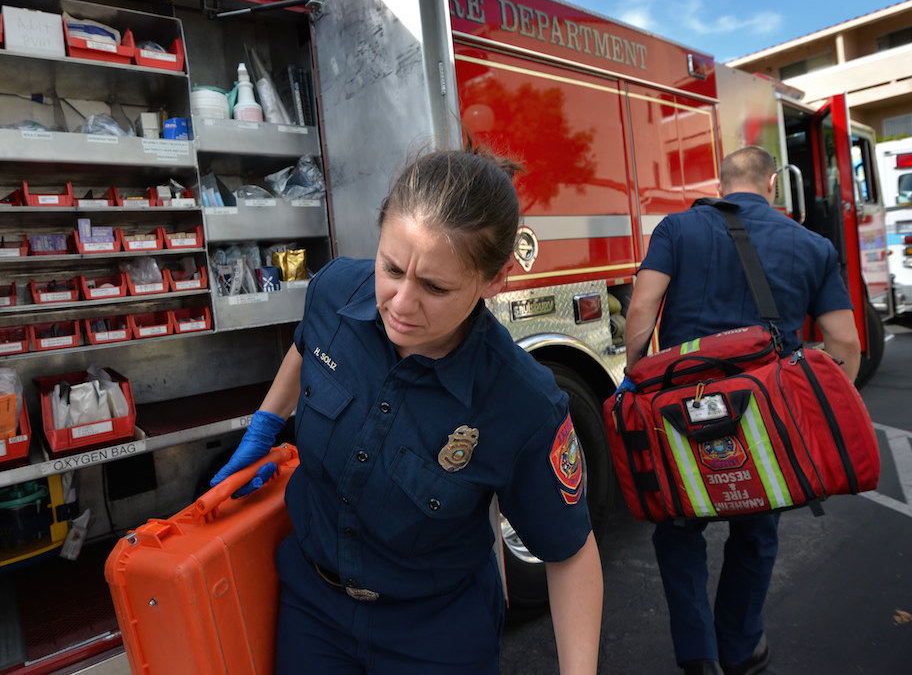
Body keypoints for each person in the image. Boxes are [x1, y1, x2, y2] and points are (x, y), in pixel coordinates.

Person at [210, 147, 603, 674]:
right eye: (391, 268)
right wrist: (265, 424)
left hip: (434, 632)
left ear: (495, 280)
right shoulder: (334, 291)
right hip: (314, 607)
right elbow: (308, 348)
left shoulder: (522, 402)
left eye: (436, 287)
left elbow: (570, 553)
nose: (399, 303)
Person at [623, 145, 862, 675]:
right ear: (773, 183)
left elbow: (641, 309)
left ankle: (698, 655)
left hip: (686, 413)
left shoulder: (677, 229)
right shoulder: (813, 245)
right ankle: (740, 646)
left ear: (722, 183)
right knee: (757, 529)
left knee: (678, 526)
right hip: (766, 418)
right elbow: (844, 343)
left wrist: (634, 380)